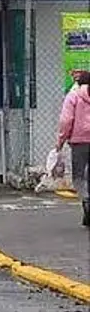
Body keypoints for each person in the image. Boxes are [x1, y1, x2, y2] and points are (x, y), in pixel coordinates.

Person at [56, 69, 90, 226]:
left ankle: (87, 201)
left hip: (79, 141)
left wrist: (61, 140)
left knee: (78, 177)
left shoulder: (74, 96)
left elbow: (66, 120)